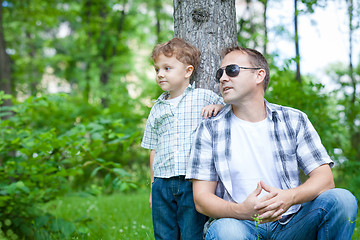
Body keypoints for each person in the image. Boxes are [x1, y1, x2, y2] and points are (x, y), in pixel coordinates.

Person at [186, 46, 358, 240]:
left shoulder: (294, 119)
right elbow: (201, 199)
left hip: (292, 223)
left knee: (342, 200)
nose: (223, 78)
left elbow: (325, 180)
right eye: (220, 73)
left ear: (259, 75)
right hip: (239, 225)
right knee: (226, 231)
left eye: (232, 70)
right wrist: (241, 210)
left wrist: (289, 197)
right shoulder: (210, 128)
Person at [141, 37, 224, 240]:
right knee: (164, 234)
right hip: (162, 183)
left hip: (192, 181)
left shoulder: (203, 97)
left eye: (167, 68)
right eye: (157, 69)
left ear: (187, 71)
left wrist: (219, 107)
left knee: (192, 233)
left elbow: (232, 109)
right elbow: (153, 148)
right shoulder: (156, 109)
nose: (160, 74)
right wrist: (153, 187)